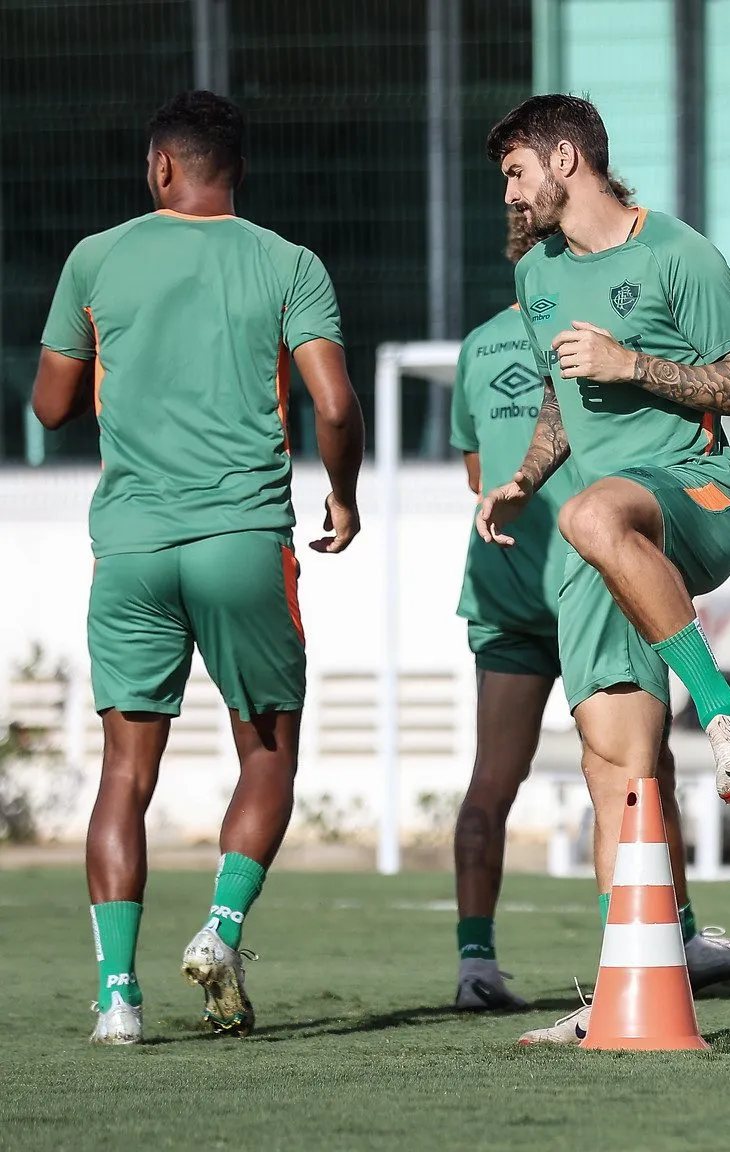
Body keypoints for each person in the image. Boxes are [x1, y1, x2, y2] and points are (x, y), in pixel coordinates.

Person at [34, 91, 363, 1043]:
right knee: (266, 753)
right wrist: (343, 496)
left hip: (131, 545)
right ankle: (220, 930)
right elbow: (334, 405)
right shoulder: (288, 263)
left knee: (125, 775)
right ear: (238, 175)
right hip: (242, 542)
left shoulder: (95, 258)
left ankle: (116, 1000)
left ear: (161, 169)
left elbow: (52, 405)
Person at [477, 94, 730, 1042]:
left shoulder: (679, 253)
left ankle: (724, 710)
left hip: (691, 500)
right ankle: (627, 987)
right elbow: (566, 403)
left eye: (517, 173)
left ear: (567, 160)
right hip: (593, 543)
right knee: (618, 767)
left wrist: (633, 363)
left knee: (598, 509)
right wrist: (522, 479)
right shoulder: (538, 277)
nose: (510, 194)